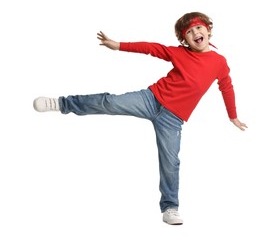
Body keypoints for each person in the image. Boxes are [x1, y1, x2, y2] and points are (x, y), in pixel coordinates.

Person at [33, 12, 247, 225]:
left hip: (173, 119)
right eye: (189, 32)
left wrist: (233, 116)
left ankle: (170, 207)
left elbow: (226, 87)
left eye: (199, 28)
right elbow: (151, 48)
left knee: (171, 162)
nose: (195, 33)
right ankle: (62, 104)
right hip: (151, 99)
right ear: (184, 40)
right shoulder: (179, 53)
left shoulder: (219, 62)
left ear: (208, 30)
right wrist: (119, 45)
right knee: (110, 102)